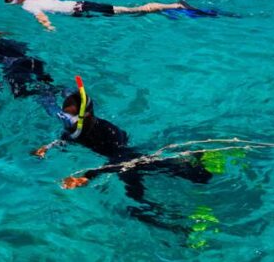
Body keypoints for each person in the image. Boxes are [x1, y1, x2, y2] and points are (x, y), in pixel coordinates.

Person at [33, 77, 212, 212]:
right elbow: (66, 139)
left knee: (140, 201)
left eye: (71, 116)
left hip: (131, 160)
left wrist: (88, 176)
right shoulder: (75, 130)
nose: (67, 120)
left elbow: (119, 157)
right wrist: (47, 148)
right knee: (139, 201)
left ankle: (201, 166)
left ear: (86, 114)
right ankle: (178, 219)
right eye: (65, 115)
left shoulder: (107, 130)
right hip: (118, 163)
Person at [4, 0, 191, 32]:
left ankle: (175, 6)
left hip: (83, 10)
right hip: (82, 6)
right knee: (127, 13)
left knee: (133, 10)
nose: (7, 2)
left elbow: (40, 16)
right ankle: (166, 9)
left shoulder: (27, 6)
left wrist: (49, 28)